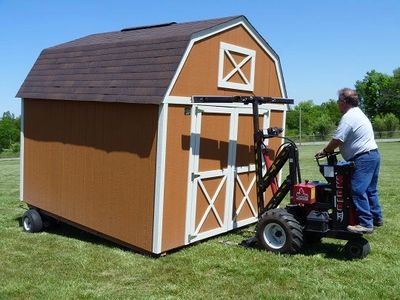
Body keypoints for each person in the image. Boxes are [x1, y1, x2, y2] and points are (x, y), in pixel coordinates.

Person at [315, 88, 383, 234]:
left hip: (363, 158)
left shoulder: (349, 117)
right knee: (370, 190)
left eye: (338, 101)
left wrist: (325, 151)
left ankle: (366, 224)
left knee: (357, 190)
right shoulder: (359, 113)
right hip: (373, 155)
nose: (338, 104)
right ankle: (376, 218)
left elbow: (337, 139)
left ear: (344, 102)